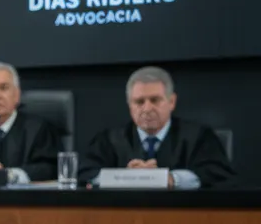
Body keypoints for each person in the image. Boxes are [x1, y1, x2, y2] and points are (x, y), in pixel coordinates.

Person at [80, 66, 234, 189]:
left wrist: (172, 179)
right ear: (129, 106)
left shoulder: (199, 137)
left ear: (171, 101)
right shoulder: (110, 139)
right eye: (139, 102)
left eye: (155, 100)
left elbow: (216, 174)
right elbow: (86, 173)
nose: (147, 109)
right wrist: (124, 177)